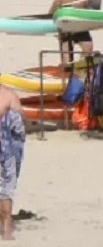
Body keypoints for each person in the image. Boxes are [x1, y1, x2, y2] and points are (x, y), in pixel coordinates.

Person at [48, 0, 101, 64]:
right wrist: (51, 19)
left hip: (79, 26)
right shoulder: (75, 0)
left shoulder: (87, 1)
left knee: (88, 47)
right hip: (66, 25)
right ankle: (67, 68)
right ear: (87, 2)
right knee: (67, 51)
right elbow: (56, 2)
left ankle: (81, 65)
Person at [0, 86, 22, 241]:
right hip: (7, 149)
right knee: (6, 188)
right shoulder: (9, 95)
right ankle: (6, 228)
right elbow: (19, 130)